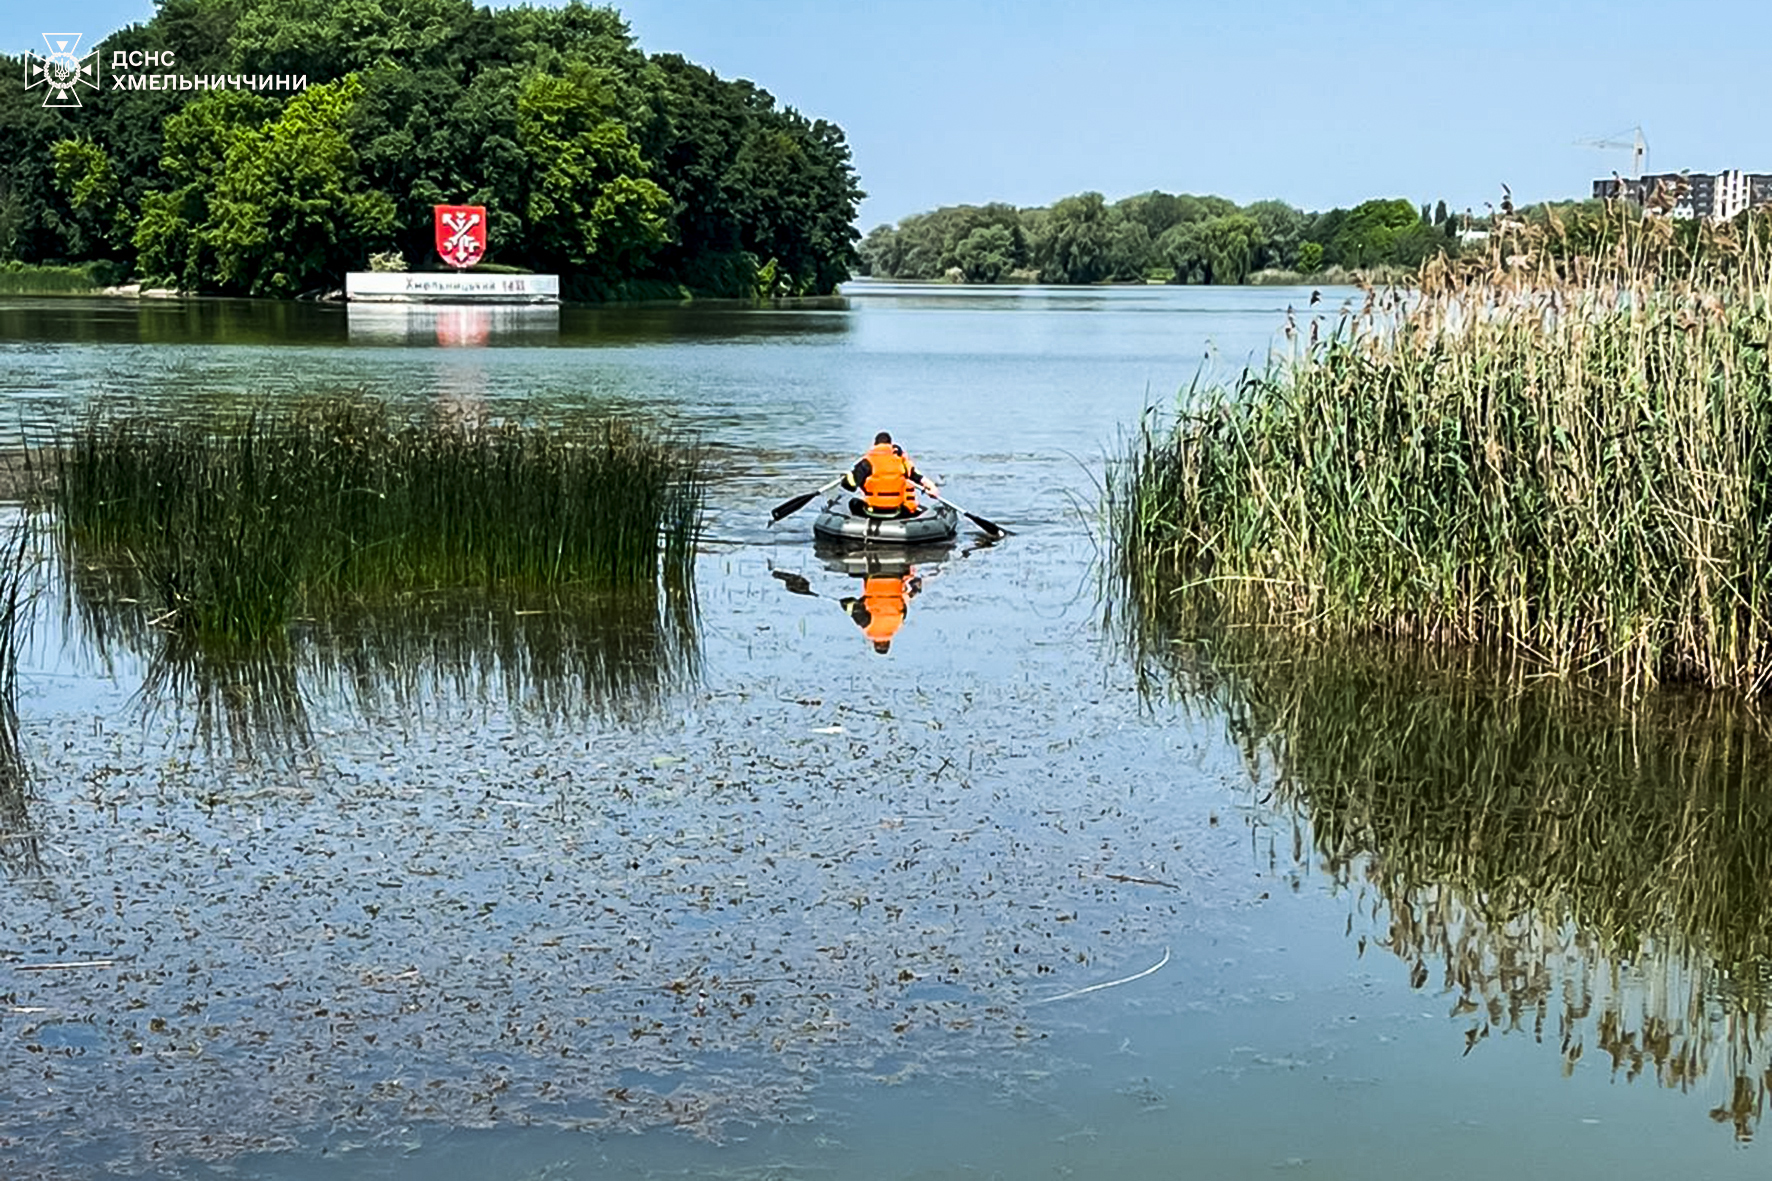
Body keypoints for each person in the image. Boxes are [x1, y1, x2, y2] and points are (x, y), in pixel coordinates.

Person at [841, 431, 938, 519]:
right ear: (891, 446)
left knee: (853, 502)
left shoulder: (866, 463)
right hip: (896, 511)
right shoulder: (901, 463)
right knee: (910, 508)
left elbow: (850, 486)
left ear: (874, 445)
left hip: (872, 511)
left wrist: (847, 477)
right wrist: (932, 487)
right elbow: (919, 478)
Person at [841, 566, 922, 654]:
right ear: (874, 643)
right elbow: (851, 605)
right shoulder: (868, 626)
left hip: (896, 576)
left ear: (889, 642)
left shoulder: (898, 623)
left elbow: (904, 604)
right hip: (873, 576)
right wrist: (846, 607)